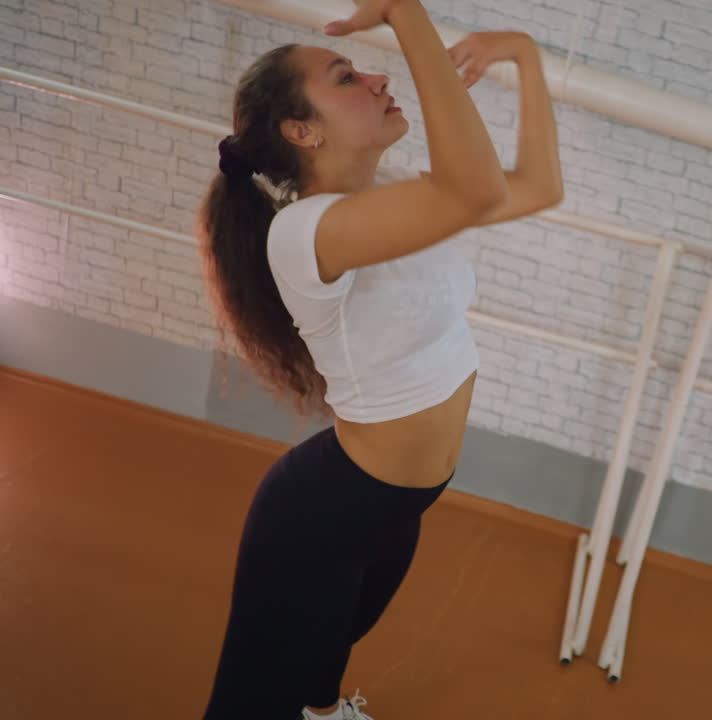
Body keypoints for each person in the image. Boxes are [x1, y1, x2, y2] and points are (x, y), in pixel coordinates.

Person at [196, 0, 562, 716]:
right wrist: (406, 14)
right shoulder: (302, 234)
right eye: (345, 76)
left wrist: (525, 54)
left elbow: (540, 186)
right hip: (327, 512)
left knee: (328, 650)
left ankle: (327, 711)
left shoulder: (399, 204)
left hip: (394, 505)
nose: (374, 77)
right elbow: (479, 185)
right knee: (255, 698)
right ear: (302, 130)